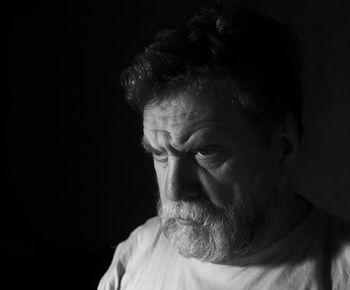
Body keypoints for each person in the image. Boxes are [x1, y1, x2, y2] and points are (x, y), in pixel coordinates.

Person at [98, 1, 350, 289]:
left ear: (283, 145)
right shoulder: (137, 254)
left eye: (204, 151)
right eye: (160, 154)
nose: (174, 190)